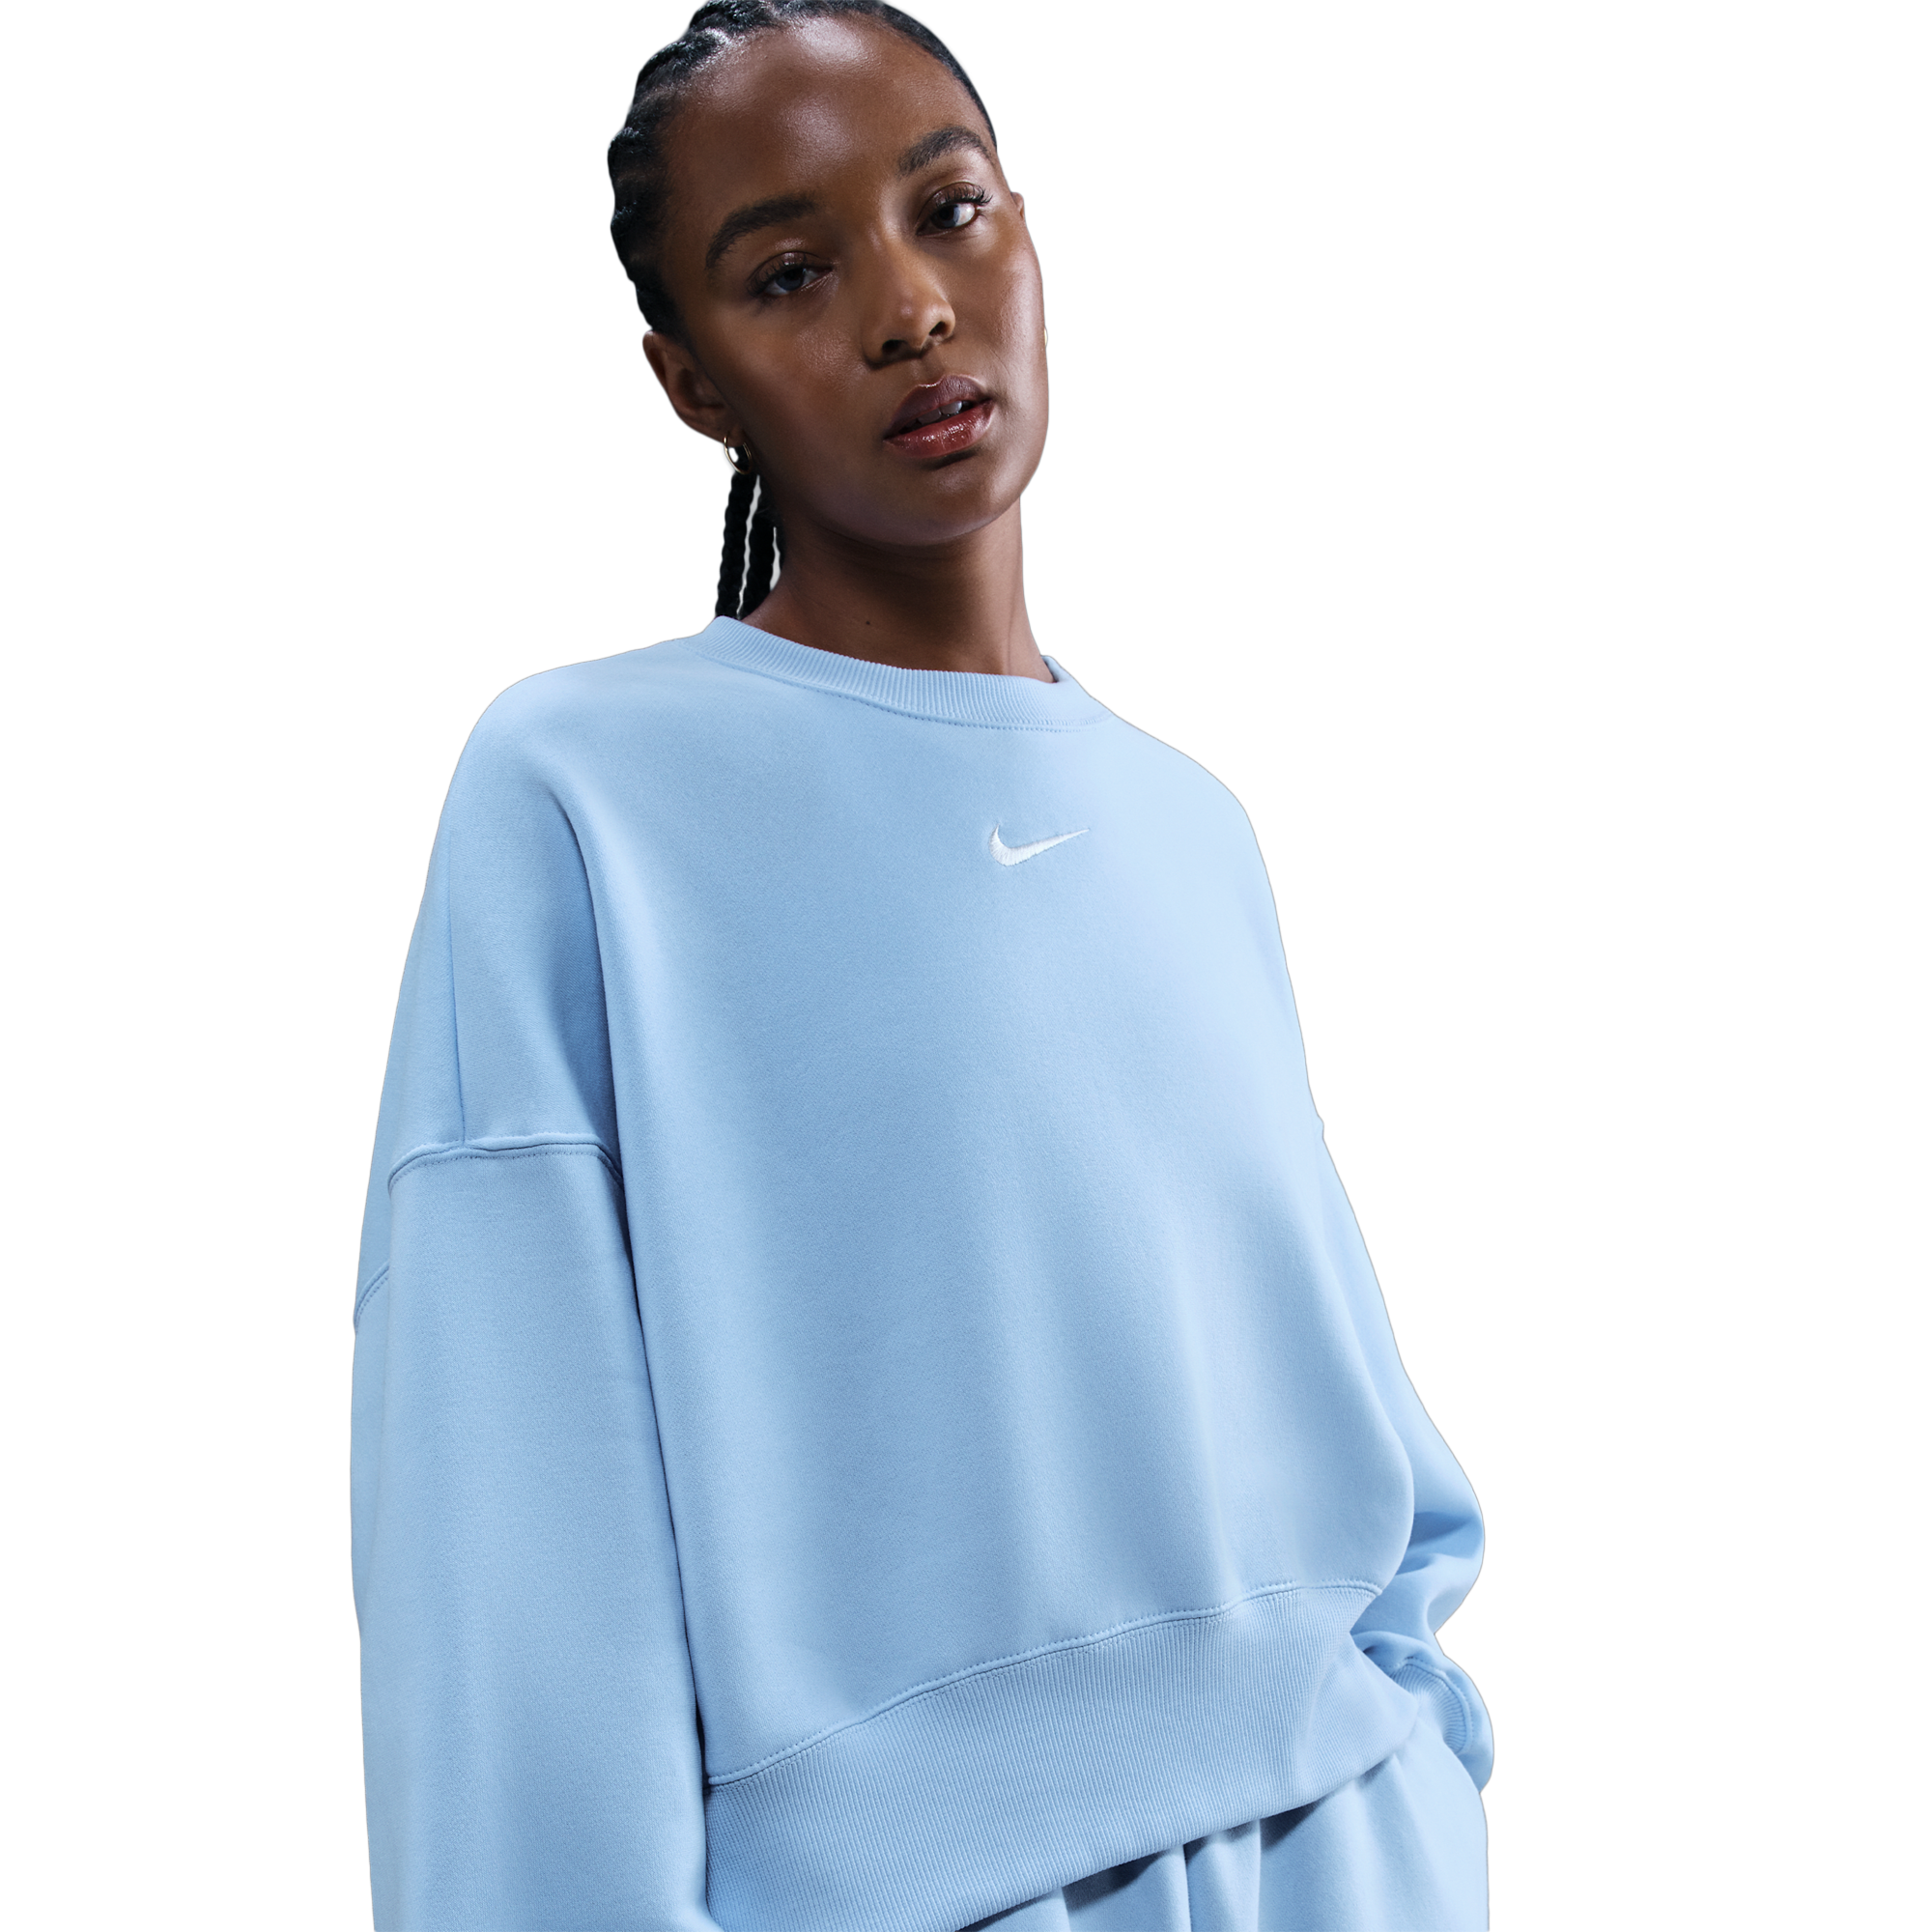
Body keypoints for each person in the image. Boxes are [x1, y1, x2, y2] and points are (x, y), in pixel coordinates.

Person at [350, 4, 1493, 1926]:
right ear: (690, 387)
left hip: (1357, 1859)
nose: (909, 311)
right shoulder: (586, 785)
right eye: (790, 273)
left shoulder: (1188, 824)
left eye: (949, 212)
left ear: (1029, 241)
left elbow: (1336, 1421)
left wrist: (1432, 1791)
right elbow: (506, 1516)